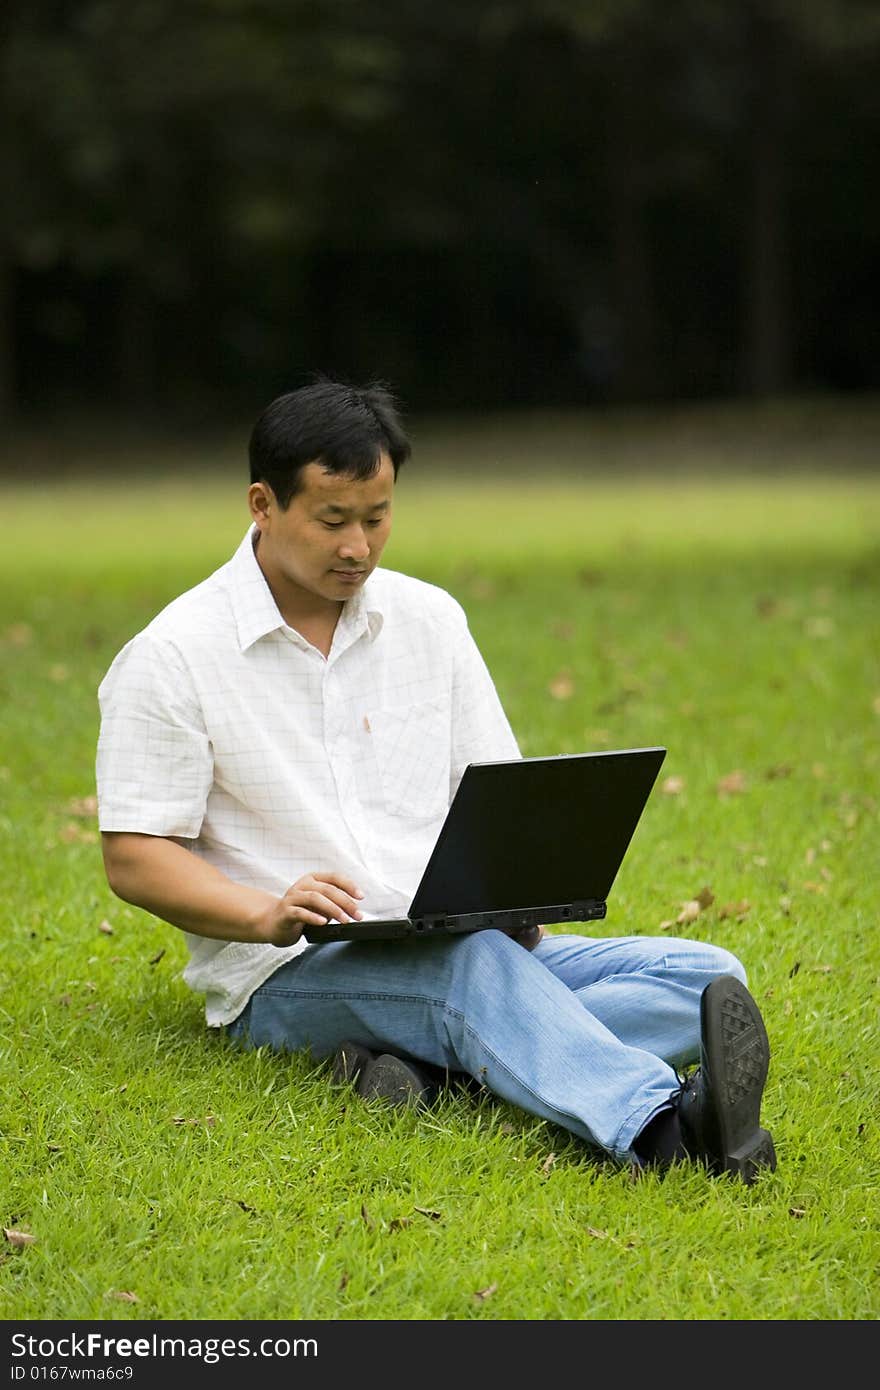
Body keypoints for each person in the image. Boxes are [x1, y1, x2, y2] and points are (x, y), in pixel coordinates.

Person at [96, 377, 777, 1184]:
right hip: (287, 973)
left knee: (706, 976)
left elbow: (497, 794)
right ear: (261, 504)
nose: (358, 546)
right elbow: (134, 853)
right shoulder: (173, 654)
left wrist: (514, 899)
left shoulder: (430, 621)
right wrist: (265, 913)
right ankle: (665, 1132)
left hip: (462, 939)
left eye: (377, 518)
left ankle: (437, 1072)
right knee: (467, 978)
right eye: (332, 520)